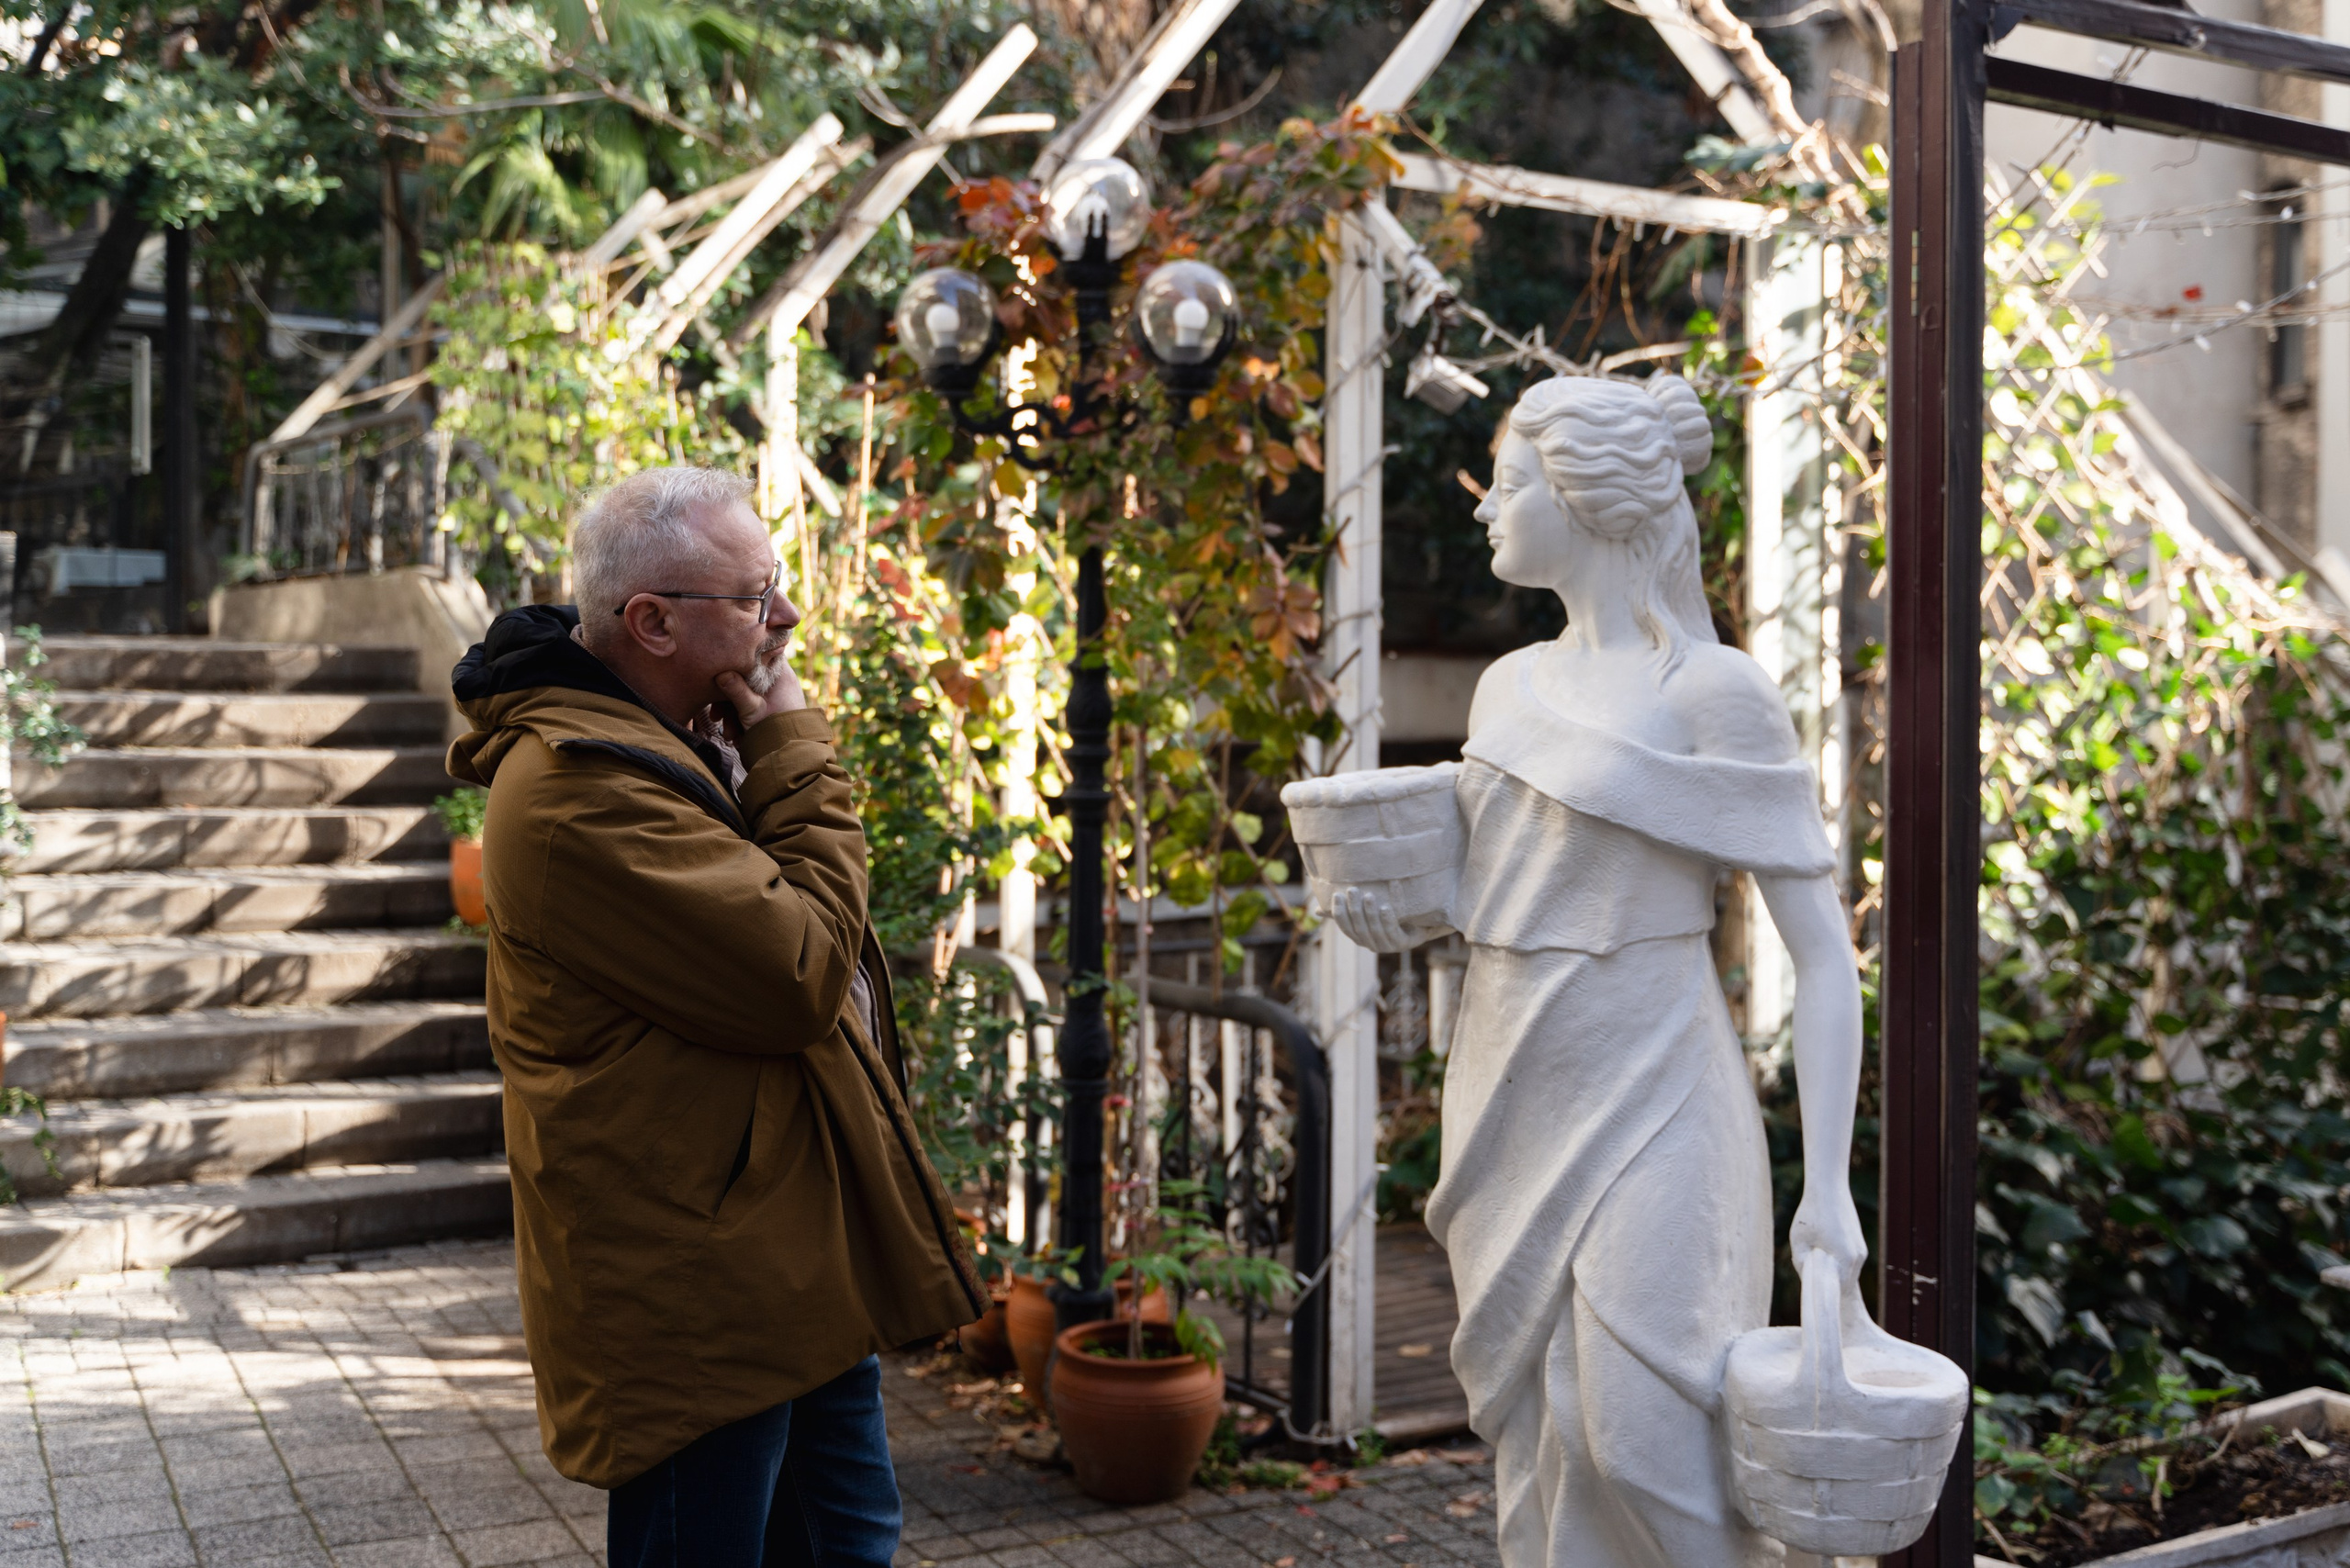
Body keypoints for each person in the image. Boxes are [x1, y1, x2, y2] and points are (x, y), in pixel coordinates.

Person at [1326, 375, 1866, 1568]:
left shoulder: (1713, 695)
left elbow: (1824, 960)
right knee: (1548, 1436)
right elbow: (1494, 891)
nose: (1484, 510)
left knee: (1640, 1439)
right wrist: (1385, 910)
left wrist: (1826, 1188)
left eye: (1508, 484)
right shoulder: (1507, 687)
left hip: (1660, 1082)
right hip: (1513, 1071)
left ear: (1588, 496)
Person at [446, 465, 984, 1568]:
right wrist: (798, 755)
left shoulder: (667, 739)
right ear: (649, 621)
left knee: (850, 1543)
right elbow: (797, 968)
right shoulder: (578, 789)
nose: (785, 618)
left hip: (783, 1260)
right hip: (698, 1292)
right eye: (754, 596)